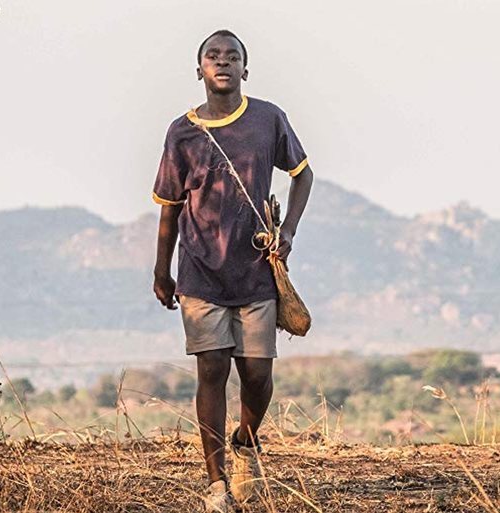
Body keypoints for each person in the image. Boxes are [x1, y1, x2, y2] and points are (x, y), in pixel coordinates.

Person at [151, 29, 314, 512]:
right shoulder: (181, 132)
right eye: (212, 56)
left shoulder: (268, 119)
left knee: (258, 374)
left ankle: (246, 440)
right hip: (200, 271)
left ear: (246, 68)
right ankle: (216, 482)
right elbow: (169, 208)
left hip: (256, 271)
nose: (222, 62)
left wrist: (290, 233)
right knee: (212, 369)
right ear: (198, 69)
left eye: (232, 56)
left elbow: (302, 173)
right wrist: (162, 271)